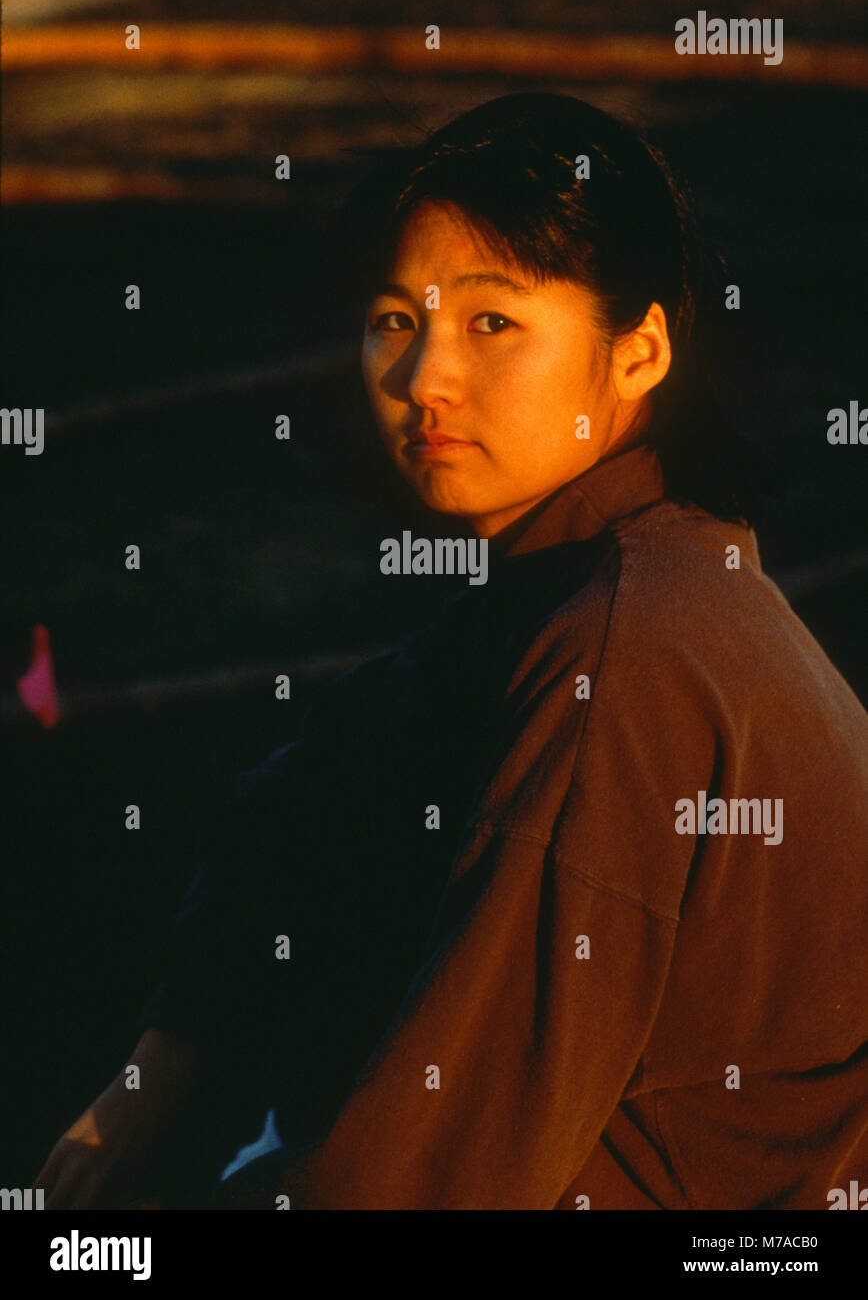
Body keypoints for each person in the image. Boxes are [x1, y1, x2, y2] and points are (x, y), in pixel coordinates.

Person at [34, 92, 868, 1211]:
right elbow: (328, 778)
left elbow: (418, 1189)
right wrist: (167, 1062)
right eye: (394, 318)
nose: (422, 377)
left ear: (640, 351)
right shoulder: (629, 577)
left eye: (491, 322)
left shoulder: (627, 650)